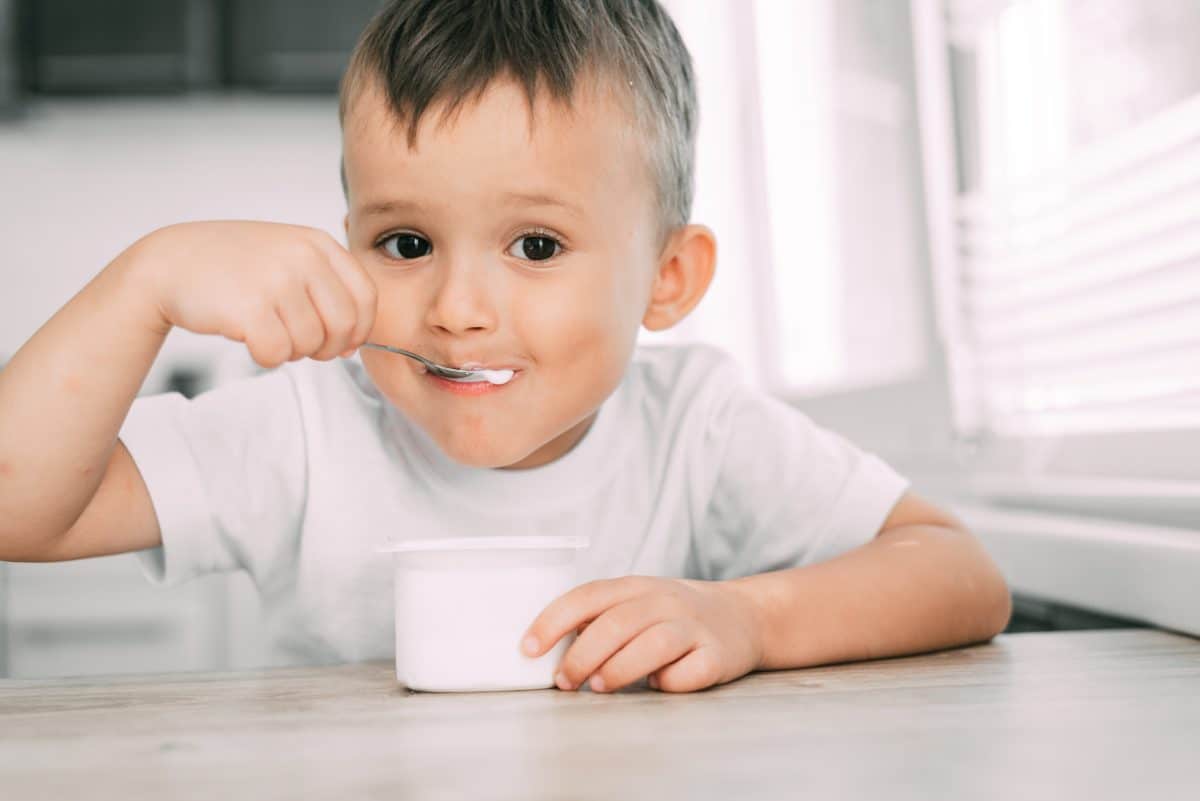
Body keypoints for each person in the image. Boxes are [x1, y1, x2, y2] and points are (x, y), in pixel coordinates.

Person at [0, 0, 1010, 694]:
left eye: (536, 245)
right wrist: (143, 285)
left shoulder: (697, 427)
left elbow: (962, 575)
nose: (457, 308)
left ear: (668, 279)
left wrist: (753, 621)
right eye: (406, 243)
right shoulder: (303, 427)